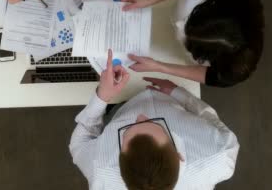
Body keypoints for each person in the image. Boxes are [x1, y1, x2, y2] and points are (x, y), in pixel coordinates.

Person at [69, 49, 239, 189]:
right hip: (173, 97)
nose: (141, 116)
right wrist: (179, 94)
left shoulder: (100, 172)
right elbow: (217, 126)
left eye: (127, 130)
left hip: (125, 101)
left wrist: (102, 97)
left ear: (119, 161)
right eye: (157, 125)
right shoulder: (220, 155)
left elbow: (79, 143)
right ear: (179, 155)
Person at [122, 0, 264, 88]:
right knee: (183, 9)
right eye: (191, 18)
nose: (178, 24)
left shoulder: (235, 69)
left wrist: (159, 67)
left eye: (191, 47)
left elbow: (213, 77)